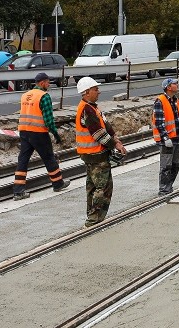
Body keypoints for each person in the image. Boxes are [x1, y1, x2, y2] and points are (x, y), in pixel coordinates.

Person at [75, 76, 128, 228]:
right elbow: (98, 133)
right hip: (95, 154)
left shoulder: (92, 107)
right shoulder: (87, 109)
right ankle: (94, 219)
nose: (98, 91)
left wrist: (116, 139)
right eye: (95, 89)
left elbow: (106, 125)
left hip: (89, 154)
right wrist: (114, 145)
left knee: (92, 186)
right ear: (86, 92)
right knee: (103, 187)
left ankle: (92, 217)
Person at [13, 72, 70, 200]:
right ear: (42, 82)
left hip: (24, 131)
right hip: (38, 132)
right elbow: (48, 120)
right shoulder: (44, 96)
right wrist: (55, 134)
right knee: (49, 157)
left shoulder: (25, 95)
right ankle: (58, 184)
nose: (49, 85)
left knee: (23, 160)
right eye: (48, 82)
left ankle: (18, 191)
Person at [153, 77, 179, 195]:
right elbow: (158, 121)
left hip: (177, 139)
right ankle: (164, 191)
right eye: (174, 83)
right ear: (168, 87)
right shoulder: (160, 101)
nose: (177, 84)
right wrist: (165, 137)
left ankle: (169, 187)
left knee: (175, 165)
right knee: (166, 166)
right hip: (167, 140)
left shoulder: (176, 101)